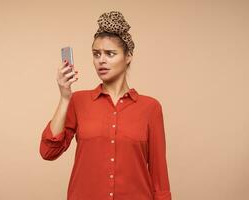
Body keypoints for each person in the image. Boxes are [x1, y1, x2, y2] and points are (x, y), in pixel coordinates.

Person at [39, 11, 172, 200]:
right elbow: (48, 152)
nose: (101, 60)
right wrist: (64, 97)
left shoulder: (150, 108)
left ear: (128, 57)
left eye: (110, 54)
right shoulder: (78, 101)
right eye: (96, 54)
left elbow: (160, 176)